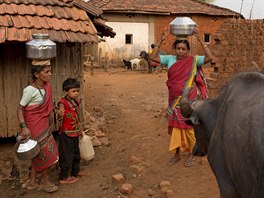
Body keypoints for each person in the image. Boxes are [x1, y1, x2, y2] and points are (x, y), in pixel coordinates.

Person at [149, 28, 213, 167]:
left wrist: (202, 41)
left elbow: (209, 58)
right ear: (174, 49)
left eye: (184, 49)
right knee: (175, 126)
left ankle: (191, 153)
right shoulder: (169, 59)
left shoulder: (193, 60)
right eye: (178, 48)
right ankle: (177, 153)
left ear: (188, 50)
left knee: (188, 126)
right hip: (173, 99)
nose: (181, 51)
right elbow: (153, 58)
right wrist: (160, 41)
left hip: (188, 100)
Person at [17, 61, 59, 192]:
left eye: (50, 71)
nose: (50, 74)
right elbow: (20, 109)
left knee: (38, 152)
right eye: (46, 72)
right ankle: (44, 181)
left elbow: (48, 107)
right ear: (37, 74)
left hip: (44, 123)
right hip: (33, 125)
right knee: (42, 152)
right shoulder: (29, 90)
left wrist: (51, 118)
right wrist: (24, 127)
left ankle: (32, 181)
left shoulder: (47, 87)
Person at [57, 78, 83, 184]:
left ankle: (75, 173)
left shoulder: (75, 101)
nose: (76, 93)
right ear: (66, 91)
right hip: (66, 134)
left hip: (75, 132)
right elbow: (59, 114)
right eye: (74, 91)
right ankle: (64, 177)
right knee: (67, 156)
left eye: (77, 91)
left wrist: (80, 129)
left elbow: (76, 116)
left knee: (76, 154)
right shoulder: (63, 102)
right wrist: (59, 113)